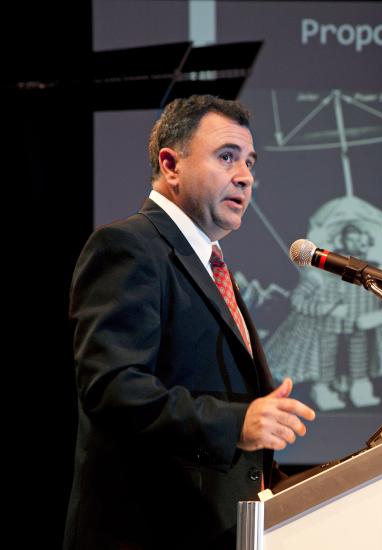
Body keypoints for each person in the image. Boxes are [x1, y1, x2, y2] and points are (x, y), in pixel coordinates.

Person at [64, 95, 316, 549]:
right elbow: (112, 389)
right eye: (227, 157)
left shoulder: (208, 263)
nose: (245, 176)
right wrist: (235, 423)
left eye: (250, 163)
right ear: (171, 164)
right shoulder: (128, 247)